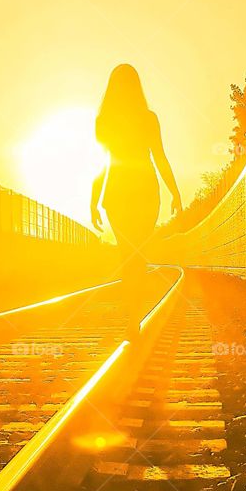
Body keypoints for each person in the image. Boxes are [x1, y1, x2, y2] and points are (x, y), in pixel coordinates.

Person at [91, 63, 181, 337]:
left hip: (117, 192)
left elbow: (104, 163)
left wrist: (94, 200)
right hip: (143, 190)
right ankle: (133, 317)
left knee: (127, 255)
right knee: (137, 256)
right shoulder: (148, 118)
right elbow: (160, 157)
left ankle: (131, 316)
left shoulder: (104, 121)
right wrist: (174, 191)